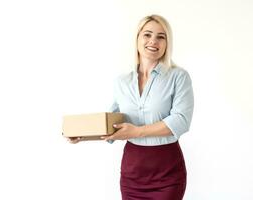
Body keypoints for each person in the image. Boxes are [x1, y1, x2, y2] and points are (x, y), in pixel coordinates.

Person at [67, 14, 194, 200]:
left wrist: (137, 132)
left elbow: (181, 121)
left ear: (168, 43)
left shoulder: (178, 77)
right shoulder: (122, 82)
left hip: (167, 172)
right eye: (147, 34)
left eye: (161, 36)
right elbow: (112, 121)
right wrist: (82, 135)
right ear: (137, 39)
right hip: (133, 172)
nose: (153, 41)